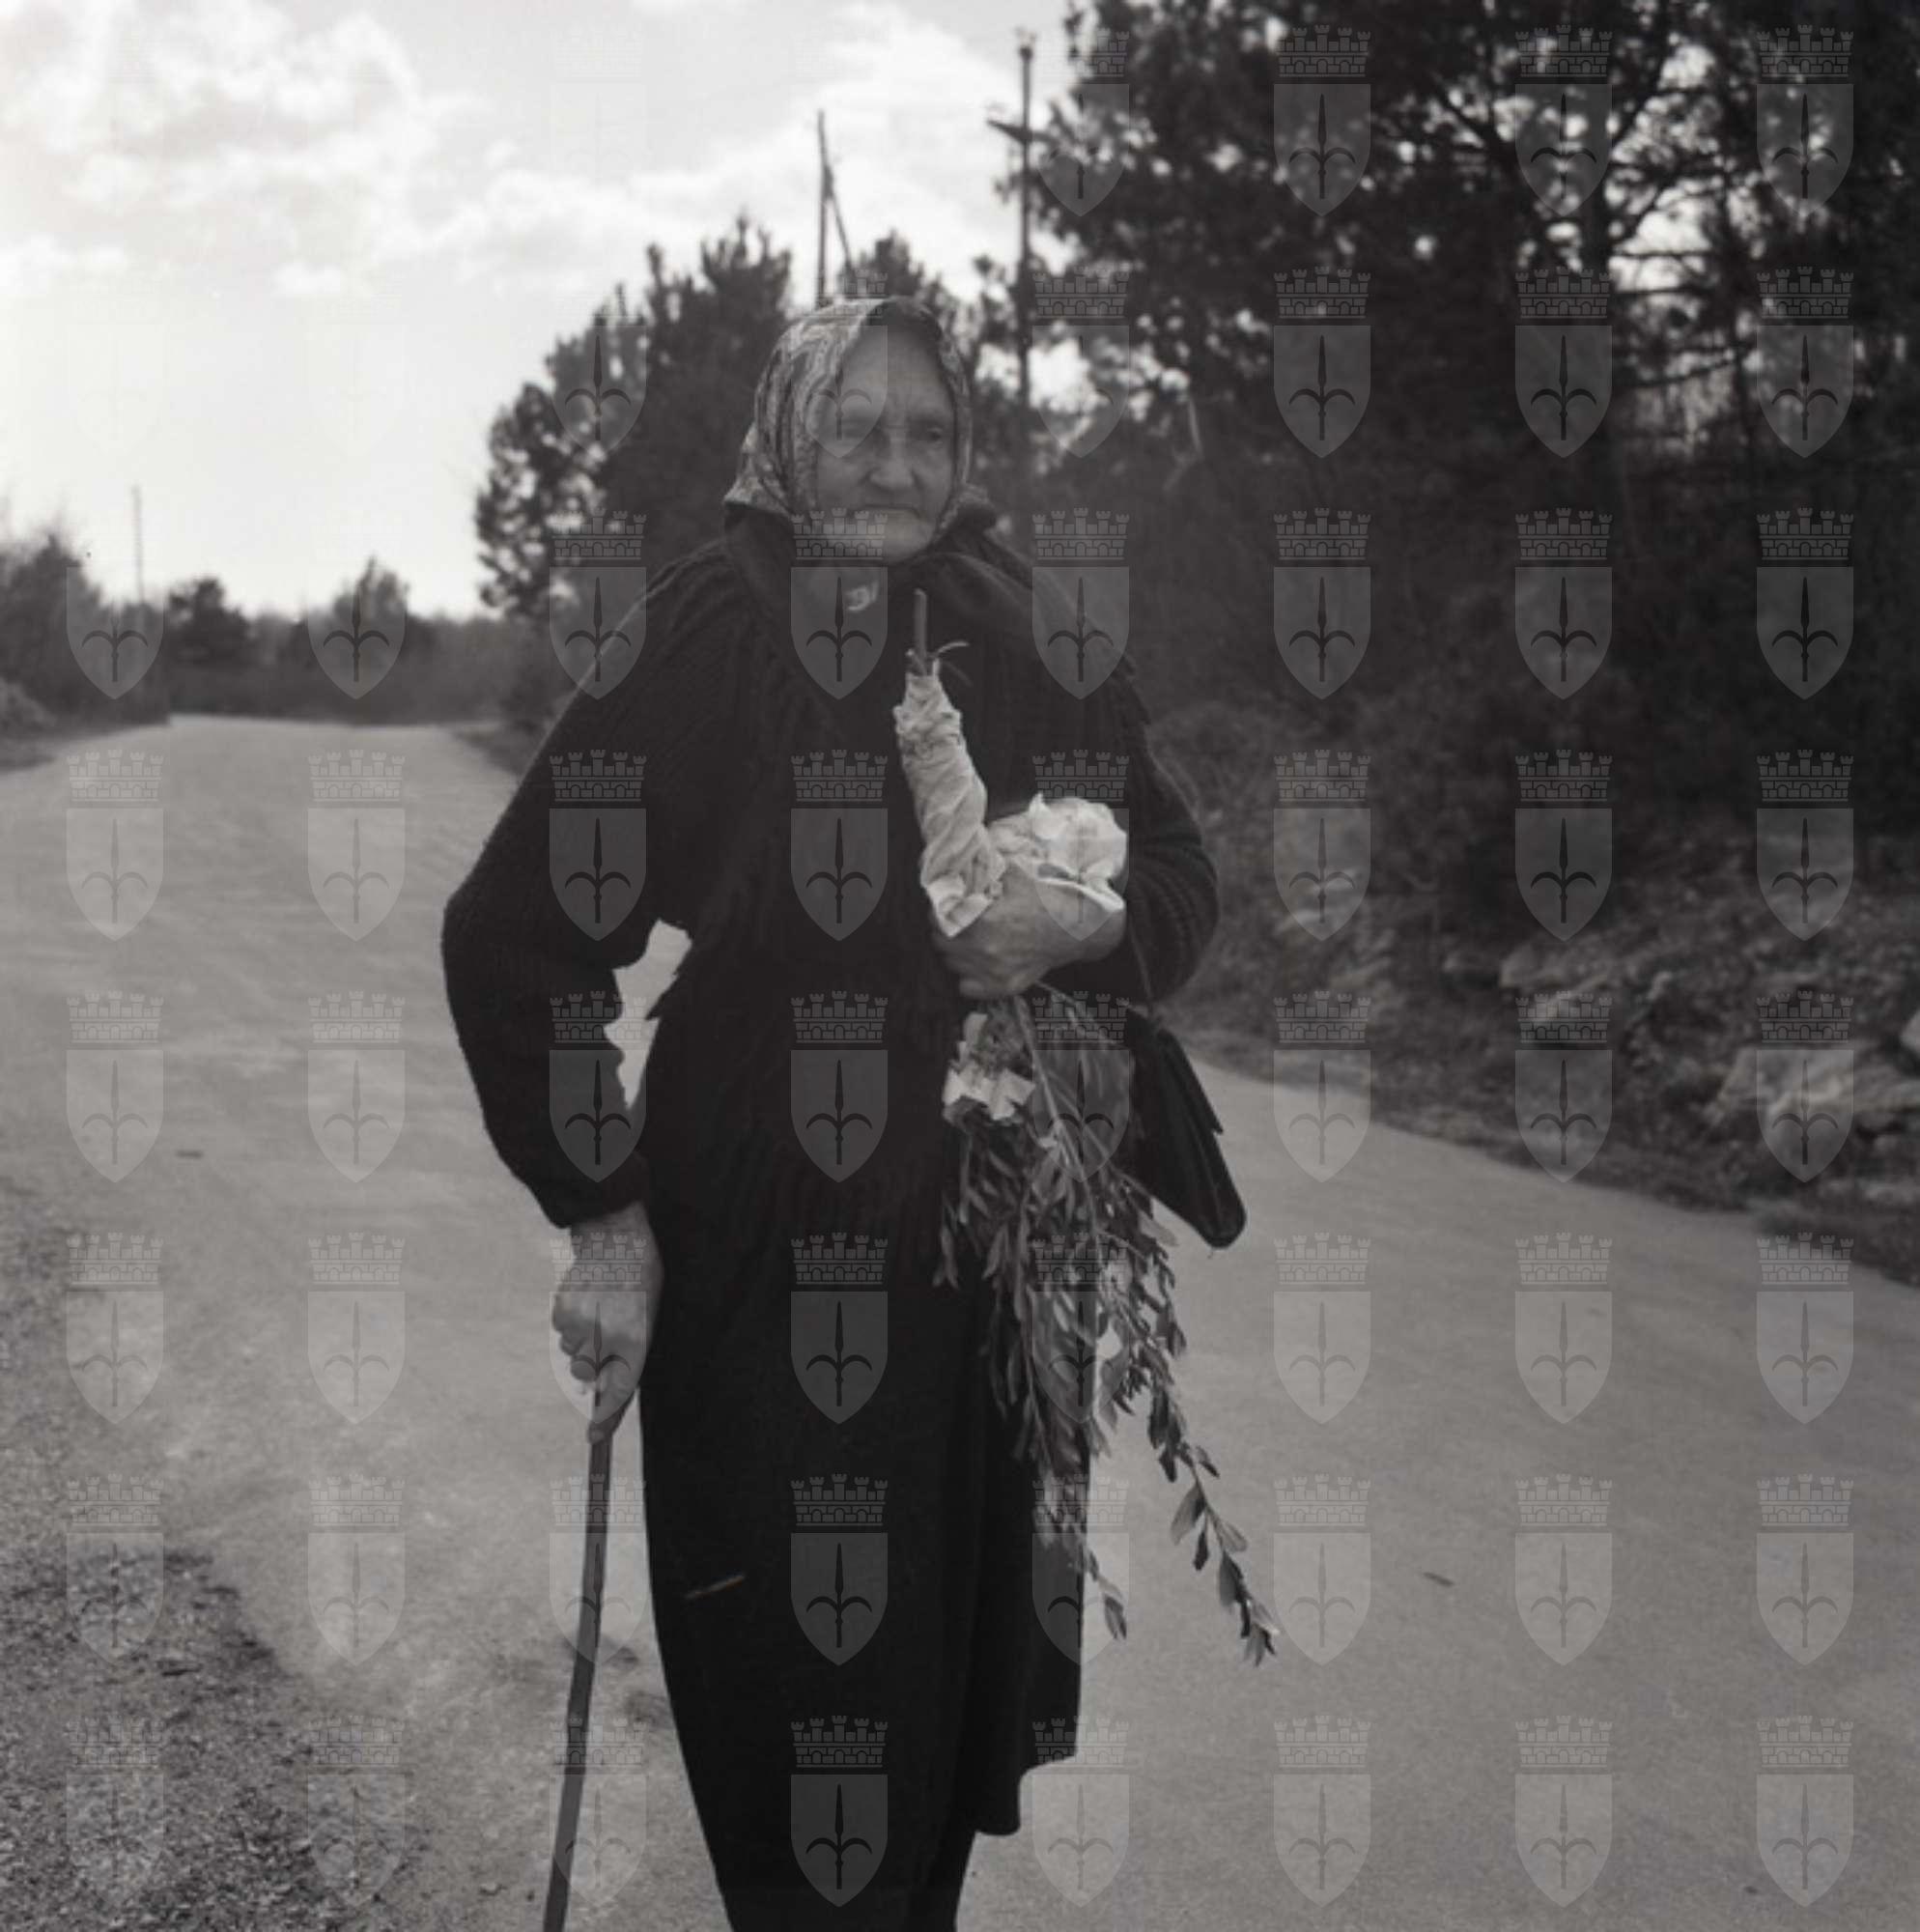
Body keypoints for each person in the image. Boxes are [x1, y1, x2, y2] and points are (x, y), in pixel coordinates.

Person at [440, 294, 1220, 1929]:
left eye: (927, 430)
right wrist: (605, 1218)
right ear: (791, 435)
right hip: (763, 1262)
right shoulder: (709, 632)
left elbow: (1176, 878)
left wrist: (1074, 923)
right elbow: (515, 936)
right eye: (857, 427)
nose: (894, 462)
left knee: (936, 1714)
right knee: (802, 1722)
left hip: (988, 1266)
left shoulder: (1022, 625)